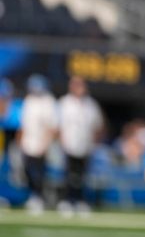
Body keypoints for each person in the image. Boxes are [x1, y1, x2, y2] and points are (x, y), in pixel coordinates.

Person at [57, 76, 103, 217]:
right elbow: (58, 125)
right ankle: (67, 201)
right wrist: (62, 141)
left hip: (85, 146)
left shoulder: (91, 104)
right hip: (69, 145)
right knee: (69, 175)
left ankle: (80, 201)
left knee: (82, 176)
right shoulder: (64, 103)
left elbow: (98, 125)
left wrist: (93, 143)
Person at [18, 74, 58, 214]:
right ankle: (33, 196)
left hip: (41, 143)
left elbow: (51, 126)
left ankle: (40, 197)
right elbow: (23, 124)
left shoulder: (48, 101)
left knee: (39, 173)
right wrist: (21, 141)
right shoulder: (29, 101)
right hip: (28, 142)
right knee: (27, 170)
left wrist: (45, 144)